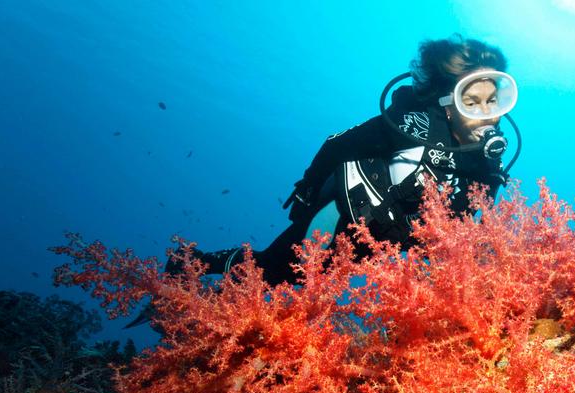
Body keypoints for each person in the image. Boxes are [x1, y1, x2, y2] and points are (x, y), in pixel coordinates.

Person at [177, 35, 519, 285]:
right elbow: (338, 143)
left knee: (290, 281)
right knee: (271, 271)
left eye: (494, 101)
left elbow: (461, 227)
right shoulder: (413, 126)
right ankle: (190, 264)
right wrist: (307, 187)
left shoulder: (488, 165)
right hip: (341, 212)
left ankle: (210, 289)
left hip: (380, 240)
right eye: (471, 102)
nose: (487, 114)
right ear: (448, 103)